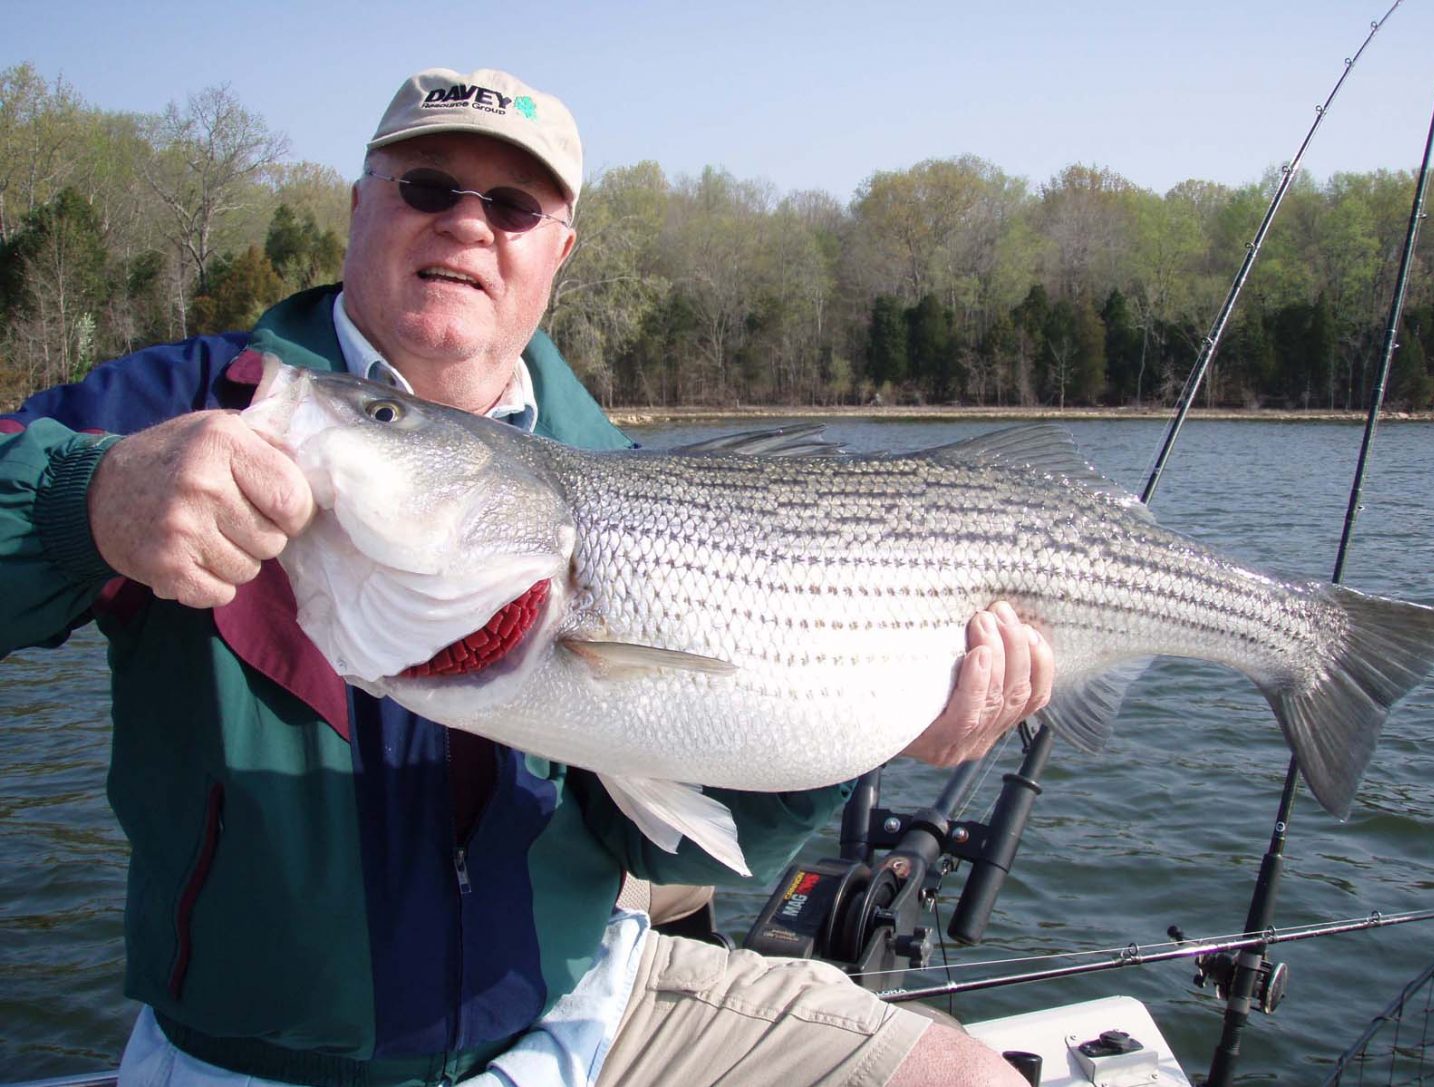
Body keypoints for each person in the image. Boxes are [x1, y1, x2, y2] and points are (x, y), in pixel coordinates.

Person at [0, 67, 1054, 1086]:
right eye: (426, 187)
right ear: (358, 204)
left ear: (557, 249)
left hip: (584, 1015)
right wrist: (83, 501)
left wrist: (874, 726)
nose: (467, 223)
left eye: (512, 205)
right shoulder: (192, 404)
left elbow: (663, 841)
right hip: (259, 1060)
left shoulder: (611, 478)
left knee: (963, 1075)